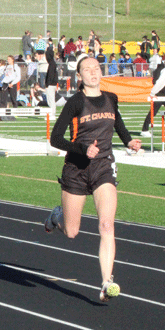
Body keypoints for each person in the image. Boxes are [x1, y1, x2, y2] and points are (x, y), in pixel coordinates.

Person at [45, 56, 141, 302]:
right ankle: (58, 216)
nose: (93, 72)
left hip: (103, 167)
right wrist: (81, 149)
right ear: (80, 76)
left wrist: (129, 140)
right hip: (76, 167)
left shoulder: (111, 98)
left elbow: (117, 122)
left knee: (107, 225)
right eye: (87, 69)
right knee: (71, 232)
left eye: (96, 68)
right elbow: (55, 138)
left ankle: (106, 282)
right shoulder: (75, 102)